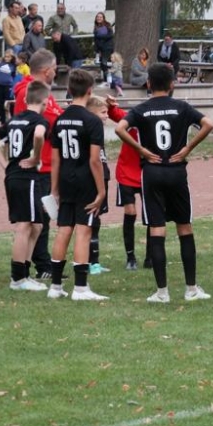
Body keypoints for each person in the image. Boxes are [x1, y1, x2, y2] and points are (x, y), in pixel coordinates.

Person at [114, 62, 213, 303]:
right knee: (184, 227)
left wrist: (141, 150)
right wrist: (188, 148)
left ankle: (162, 292)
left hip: (152, 172)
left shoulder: (141, 109)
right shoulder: (182, 107)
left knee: (157, 229)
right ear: (172, 84)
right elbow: (209, 124)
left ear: (148, 83)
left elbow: (120, 128)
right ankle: (191, 289)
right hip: (176, 171)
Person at [48, 69, 108, 301]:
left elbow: (55, 159)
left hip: (65, 179)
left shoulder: (60, 120)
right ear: (90, 91)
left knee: (64, 229)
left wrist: (54, 189)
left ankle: (55, 286)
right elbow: (94, 160)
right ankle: (81, 288)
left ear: (69, 90)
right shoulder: (92, 121)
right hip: (85, 181)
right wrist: (101, 190)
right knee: (83, 230)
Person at [0, 80, 50, 292]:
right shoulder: (39, 120)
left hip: (15, 176)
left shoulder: (15, 120)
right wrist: (36, 158)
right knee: (24, 225)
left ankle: (25, 271)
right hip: (25, 177)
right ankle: (18, 278)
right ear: (45, 101)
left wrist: (6, 165)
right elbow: (39, 134)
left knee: (37, 225)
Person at [13, 49, 64, 281]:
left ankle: (38, 264)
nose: (56, 72)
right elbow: (50, 120)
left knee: (43, 218)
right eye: (54, 68)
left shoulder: (41, 91)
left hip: (46, 163)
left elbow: (55, 115)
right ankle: (39, 265)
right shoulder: (28, 91)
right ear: (45, 70)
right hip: (37, 165)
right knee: (37, 219)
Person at [106, 95, 145, 271]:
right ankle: (130, 257)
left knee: (151, 213)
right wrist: (110, 105)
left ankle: (151, 256)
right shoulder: (133, 119)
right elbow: (114, 114)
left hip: (147, 172)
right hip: (126, 172)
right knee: (130, 211)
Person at [85, 95, 113, 276]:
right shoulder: (89, 130)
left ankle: (94, 260)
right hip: (93, 180)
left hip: (102, 176)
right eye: (103, 112)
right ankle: (90, 262)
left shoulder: (98, 130)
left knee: (96, 220)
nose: (106, 116)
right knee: (91, 221)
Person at [0, 48, 16, 126]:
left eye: (9, 57)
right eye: (6, 56)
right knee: (0, 104)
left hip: (8, 86)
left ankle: (12, 119)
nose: (7, 58)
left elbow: (14, 75)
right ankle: (2, 121)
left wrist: (11, 82)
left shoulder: (13, 65)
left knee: (10, 103)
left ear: (12, 57)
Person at [92, 12, 114, 82]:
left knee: (104, 64)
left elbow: (110, 35)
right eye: (97, 17)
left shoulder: (107, 25)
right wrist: (97, 50)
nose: (99, 18)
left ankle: (108, 79)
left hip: (107, 48)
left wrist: (99, 36)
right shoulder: (96, 27)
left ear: (103, 18)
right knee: (102, 65)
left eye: (100, 17)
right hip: (101, 49)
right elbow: (96, 40)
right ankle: (106, 79)